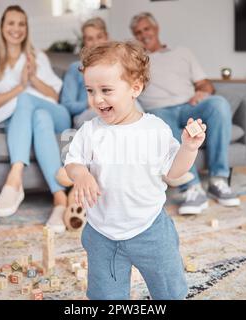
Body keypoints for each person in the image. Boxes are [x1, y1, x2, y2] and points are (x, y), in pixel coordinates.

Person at [64, 41, 208, 299]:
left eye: (106, 90)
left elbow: (174, 172)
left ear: (135, 88)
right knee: (105, 297)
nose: (97, 99)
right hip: (102, 234)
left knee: (170, 292)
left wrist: (188, 148)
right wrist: (82, 174)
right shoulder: (89, 131)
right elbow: (72, 162)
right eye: (90, 90)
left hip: (151, 230)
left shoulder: (155, 129)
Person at [0, 5, 71, 233]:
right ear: (2, 27)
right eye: (11, 23)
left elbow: (54, 95)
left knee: (34, 104)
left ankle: (15, 177)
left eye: (21, 24)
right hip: (25, 120)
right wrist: (19, 86)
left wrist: (32, 78)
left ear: (26, 28)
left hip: (59, 115)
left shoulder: (38, 57)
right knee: (39, 117)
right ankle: (60, 199)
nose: (16, 29)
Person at [130, 12, 240, 215]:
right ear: (135, 37)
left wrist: (203, 92)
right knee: (159, 121)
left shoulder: (182, 52)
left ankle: (218, 180)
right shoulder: (136, 62)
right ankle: (192, 187)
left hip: (189, 106)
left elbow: (205, 84)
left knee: (219, 104)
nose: (143, 34)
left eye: (147, 29)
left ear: (156, 29)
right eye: (138, 32)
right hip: (159, 110)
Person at [60, 17, 108, 130]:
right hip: (88, 113)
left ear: (106, 37)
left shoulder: (116, 65)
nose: (95, 43)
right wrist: (88, 103)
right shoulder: (75, 68)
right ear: (84, 42)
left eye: (99, 37)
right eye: (90, 38)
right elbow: (67, 104)